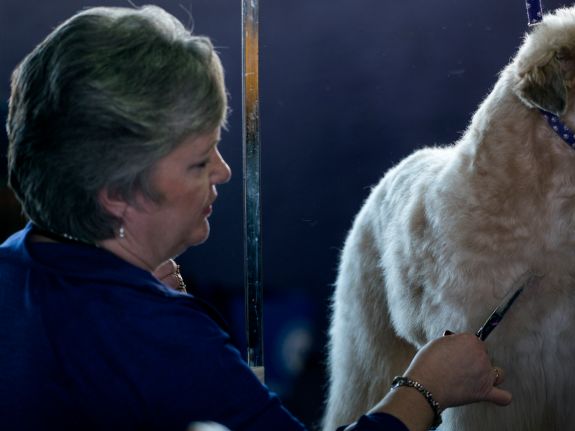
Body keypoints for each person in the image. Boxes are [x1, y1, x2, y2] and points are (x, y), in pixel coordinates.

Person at [0, 5, 512, 431]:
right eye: (199, 162)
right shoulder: (163, 338)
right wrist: (424, 390)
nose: (223, 171)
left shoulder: (14, 267)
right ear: (115, 194)